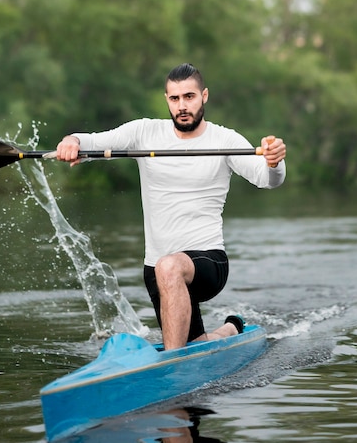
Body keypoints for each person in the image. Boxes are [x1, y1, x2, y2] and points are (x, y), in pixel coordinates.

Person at [47, 63, 286, 350]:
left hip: (208, 261)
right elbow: (91, 141)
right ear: (167, 100)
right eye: (175, 99)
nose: (182, 106)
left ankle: (172, 368)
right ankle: (232, 328)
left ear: (204, 96)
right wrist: (71, 142)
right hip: (156, 271)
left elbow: (268, 179)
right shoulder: (144, 132)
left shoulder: (225, 139)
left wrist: (274, 162)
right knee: (194, 341)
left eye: (189, 97)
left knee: (169, 266)